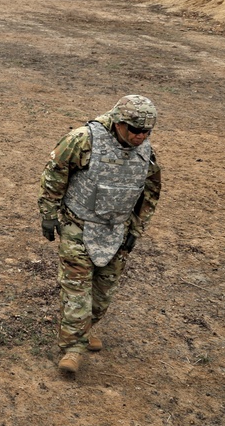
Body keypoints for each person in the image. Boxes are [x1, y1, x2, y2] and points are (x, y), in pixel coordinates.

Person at [39, 95, 162, 375]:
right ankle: (72, 349)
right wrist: (48, 214)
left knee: (103, 294)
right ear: (119, 123)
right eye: (134, 130)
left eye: (146, 132)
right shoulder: (83, 140)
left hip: (116, 231)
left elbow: (151, 190)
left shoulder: (144, 150)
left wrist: (136, 228)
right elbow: (54, 174)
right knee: (77, 292)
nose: (140, 136)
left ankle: (83, 330)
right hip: (78, 226)